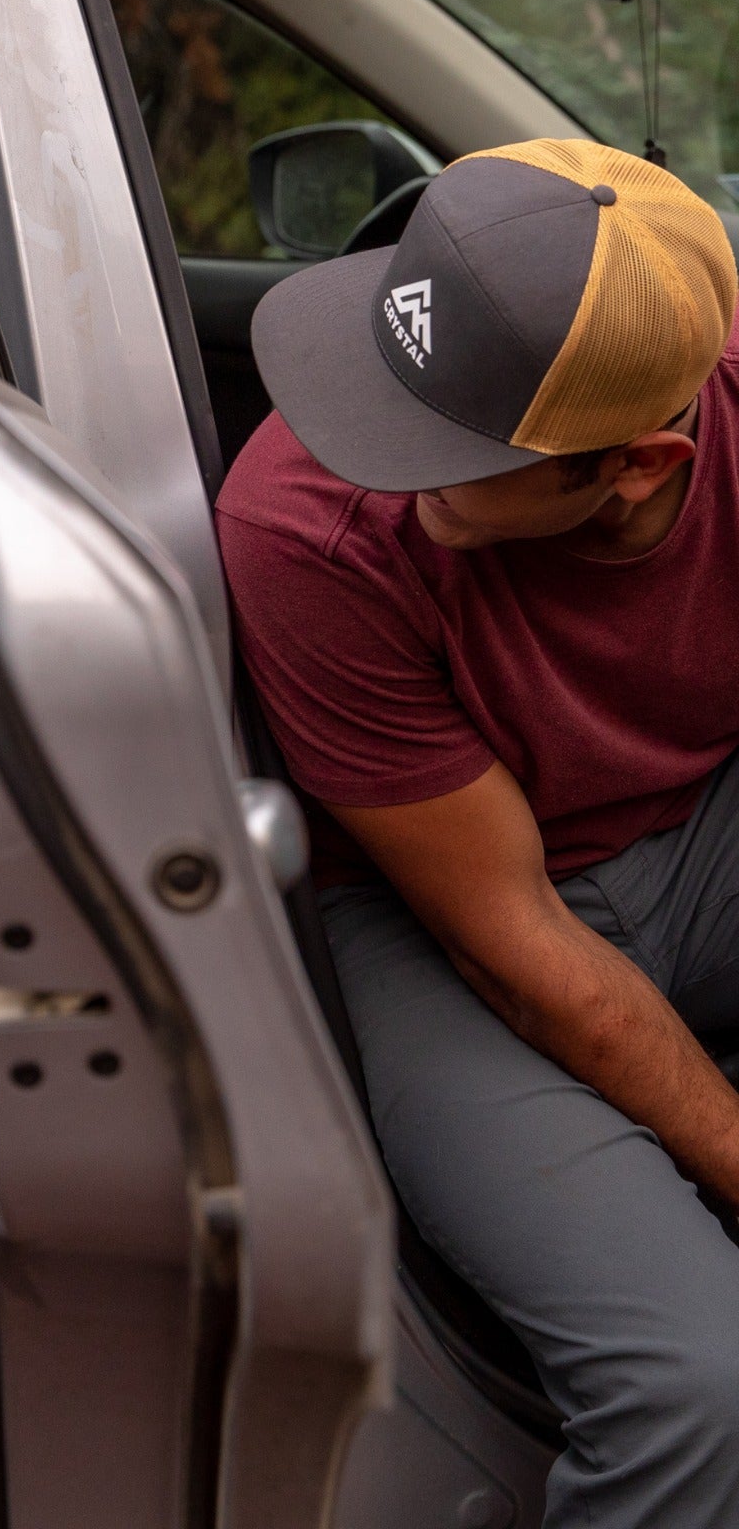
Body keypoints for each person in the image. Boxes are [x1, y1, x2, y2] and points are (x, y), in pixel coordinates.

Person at [218, 137, 739, 1527]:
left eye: (443, 451)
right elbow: (518, 946)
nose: (373, 460)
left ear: (637, 467)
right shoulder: (303, 523)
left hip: (705, 836)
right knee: (699, 1385)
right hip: (431, 925)